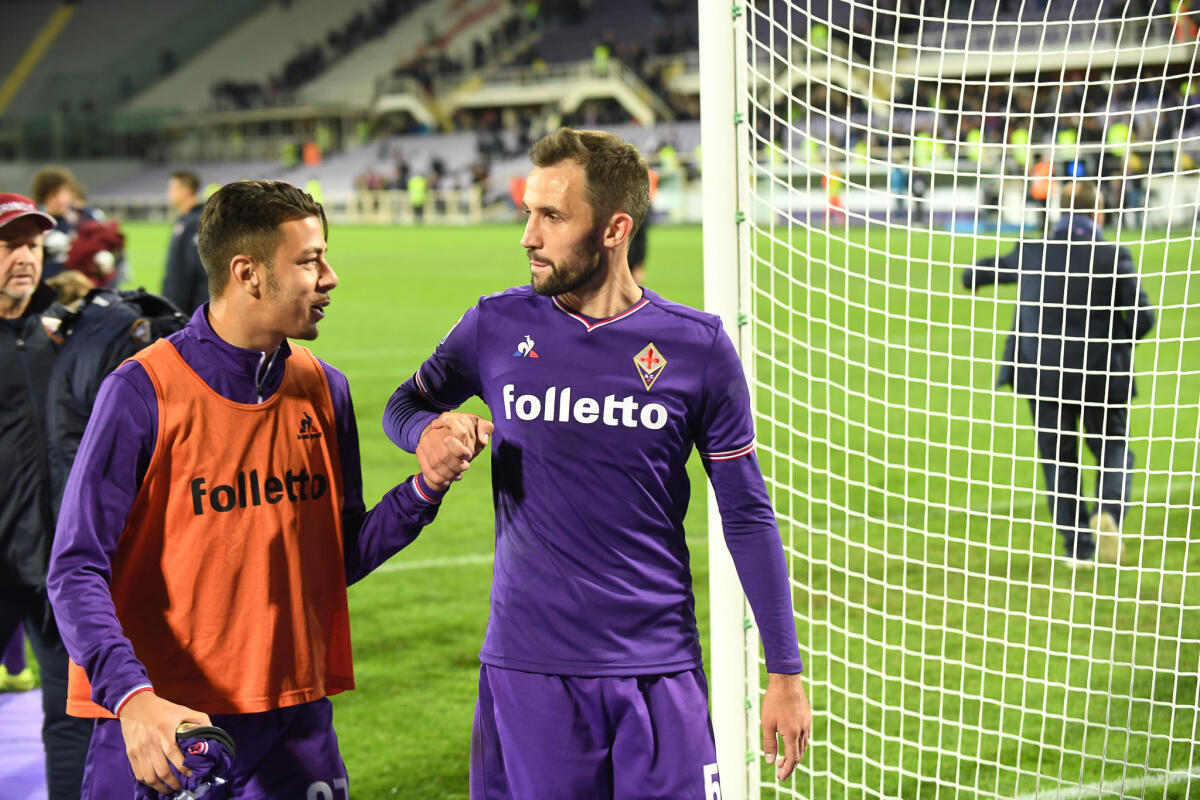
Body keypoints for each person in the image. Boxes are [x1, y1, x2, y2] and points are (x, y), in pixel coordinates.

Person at [385, 128, 812, 799]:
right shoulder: (494, 324)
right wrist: (426, 434)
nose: (528, 235)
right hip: (531, 669)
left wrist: (784, 672)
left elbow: (747, 513)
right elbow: (406, 402)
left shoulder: (697, 348)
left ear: (615, 228)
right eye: (528, 212)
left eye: (552, 217)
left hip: (660, 670)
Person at [47, 180, 483, 798]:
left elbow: (337, 555)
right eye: (309, 260)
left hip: (296, 720)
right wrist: (132, 699)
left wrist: (424, 488)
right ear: (246, 272)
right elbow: (75, 568)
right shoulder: (142, 391)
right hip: (171, 726)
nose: (329, 277)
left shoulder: (323, 388)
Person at [962, 181, 1156, 566]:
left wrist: (971, 276)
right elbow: (1143, 318)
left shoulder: (1034, 251)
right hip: (1102, 374)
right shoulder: (1113, 255)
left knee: (1059, 461)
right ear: (1098, 213)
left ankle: (1079, 550)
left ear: (1059, 211)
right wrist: (1115, 341)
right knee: (1113, 448)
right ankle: (1108, 512)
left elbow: (986, 271)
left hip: (1044, 374)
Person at [0, 192, 93, 798]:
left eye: (33, 245)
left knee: (72, 721)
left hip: (61, 560)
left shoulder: (66, 329)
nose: (24, 257)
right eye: (9, 245)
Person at [162, 170, 208, 313]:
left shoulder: (197, 222)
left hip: (192, 310)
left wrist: (176, 311)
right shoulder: (185, 220)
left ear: (186, 190)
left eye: (172, 188)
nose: (168, 192)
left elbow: (191, 269)